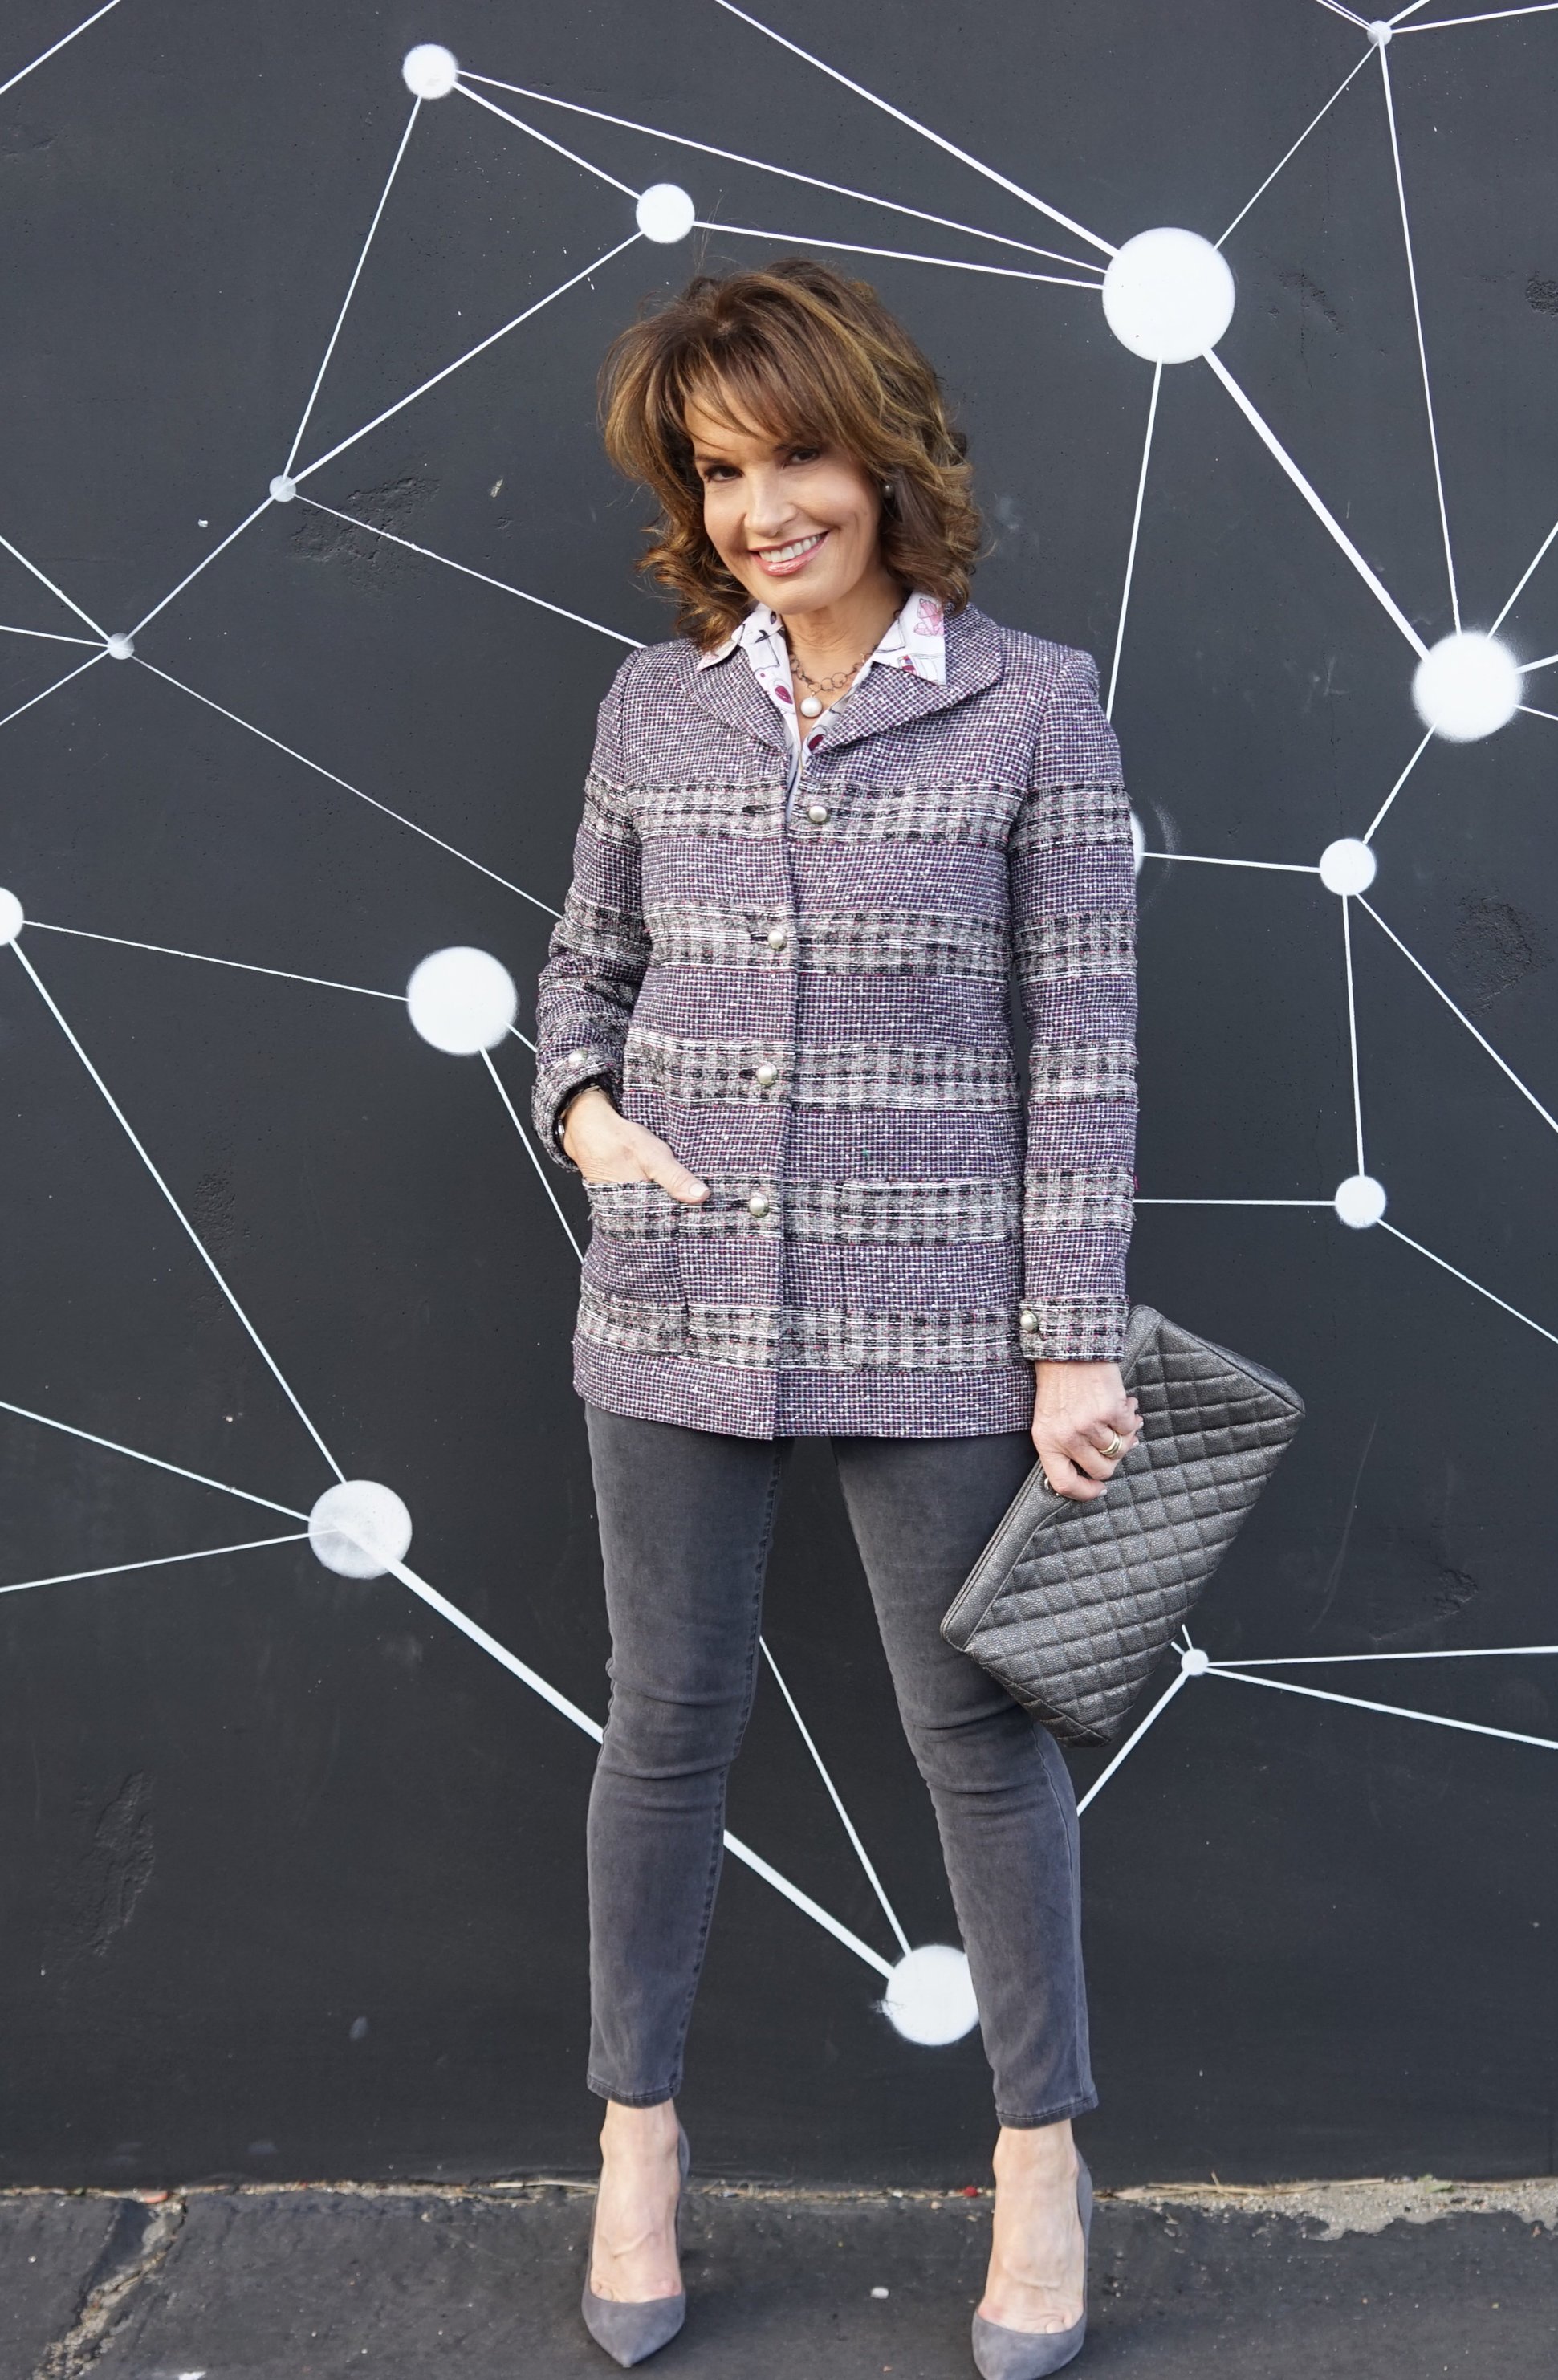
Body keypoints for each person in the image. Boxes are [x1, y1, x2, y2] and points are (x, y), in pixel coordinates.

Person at [531, 258, 1140, 2375]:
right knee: (663, 1729)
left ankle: (1041, 2164)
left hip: (943, 1311)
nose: (760, 509)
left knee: (978, 1740)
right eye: (717, 472)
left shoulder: (1033, 705)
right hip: (675, 1295)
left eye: (793, 456)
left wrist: (1070, 1331)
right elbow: (579, 971)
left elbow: (1084, 1044)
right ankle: (634, 2146)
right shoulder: (653, 706)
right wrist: (590, 1115)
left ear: (878, 454)